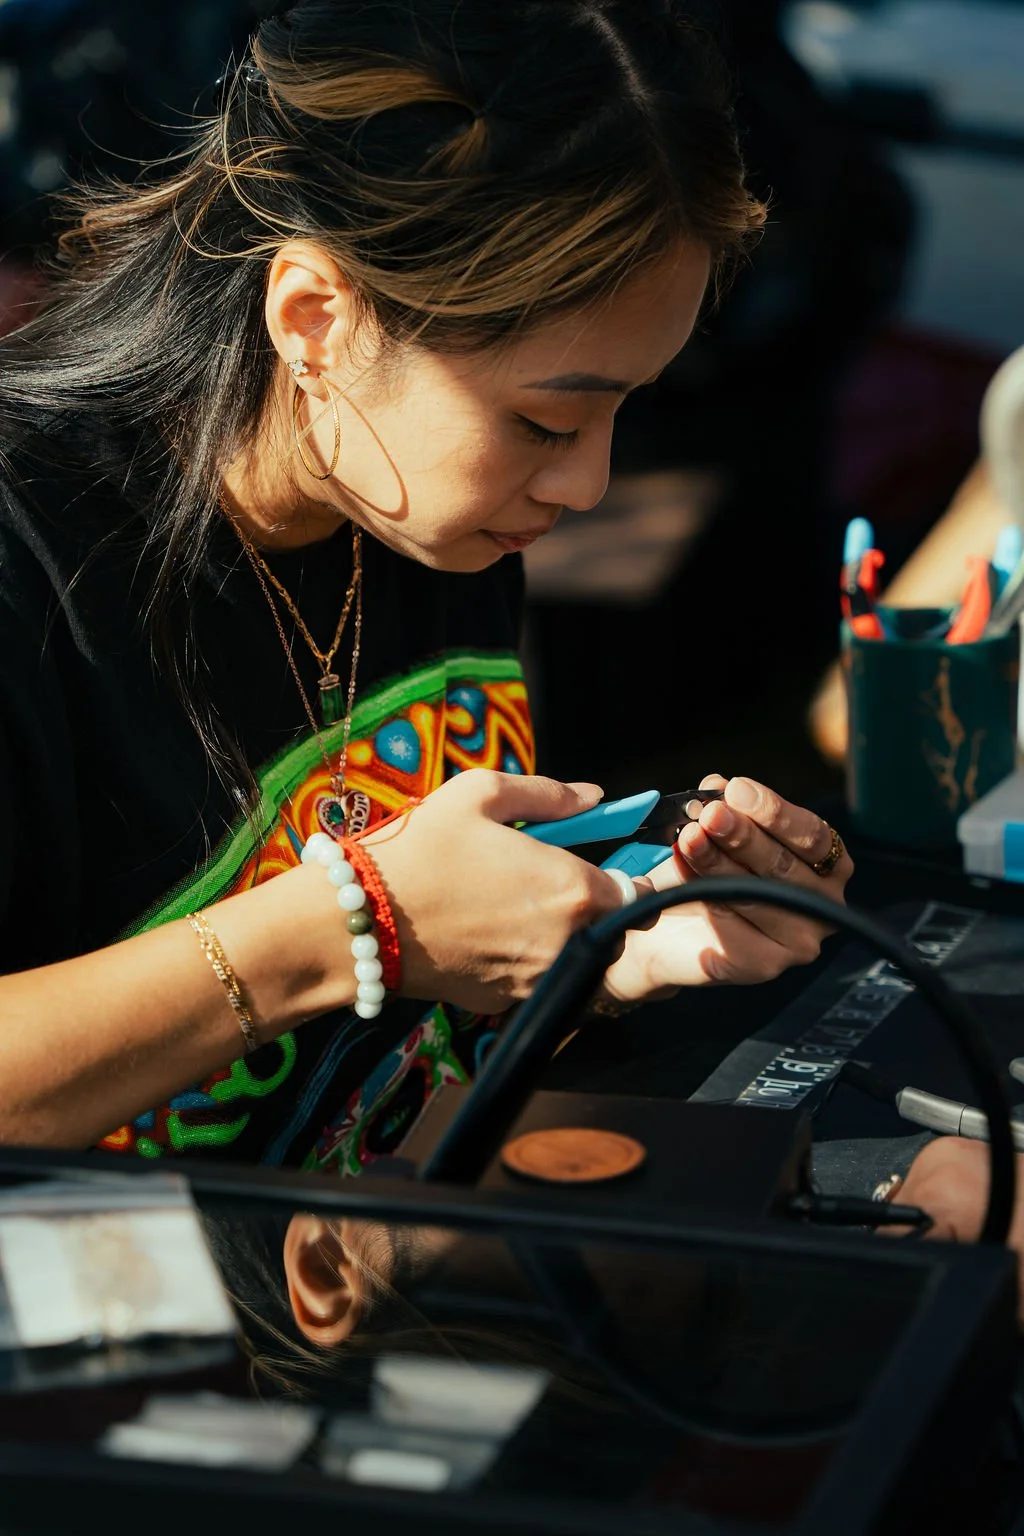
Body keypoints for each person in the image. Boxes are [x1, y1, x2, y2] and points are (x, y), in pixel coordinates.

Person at [0, 0, 852, 1169]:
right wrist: (354, 922)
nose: (589, 484)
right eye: (546, 418)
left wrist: (604, 941)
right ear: (316, 318)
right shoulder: (26, 554)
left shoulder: (416, 507)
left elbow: (401, 1055)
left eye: (621, 409)